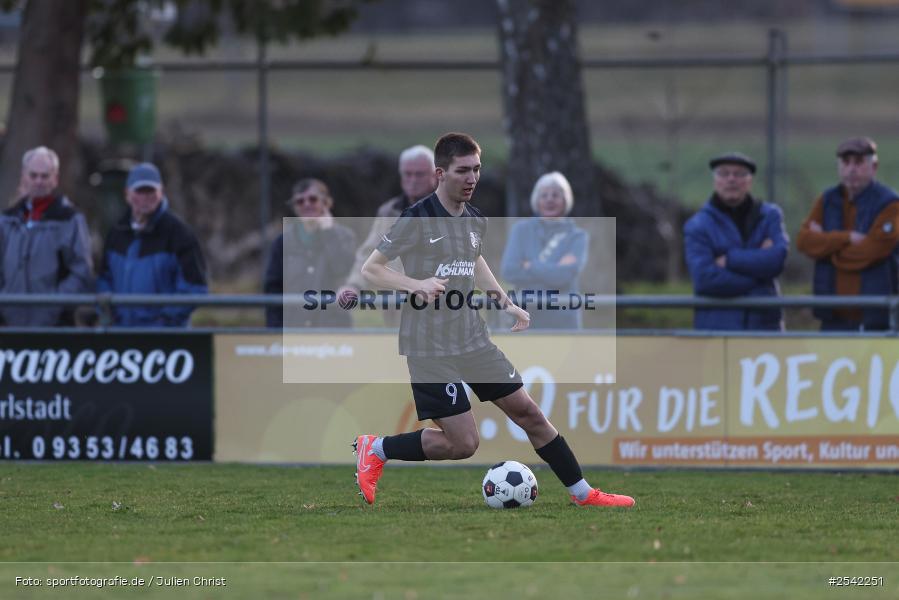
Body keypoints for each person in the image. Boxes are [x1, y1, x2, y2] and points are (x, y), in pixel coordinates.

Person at [353, 132, 634, 508]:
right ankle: (377, 448)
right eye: (462, 171)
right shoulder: (416, 218)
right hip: (429, 346)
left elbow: (476, 260)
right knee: (463, 444)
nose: (472, 179)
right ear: (440, 174)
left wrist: (505, 301)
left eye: (477, 170)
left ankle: (583, 494)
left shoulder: (473, 220)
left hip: (472, 337)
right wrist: (414, 284)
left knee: (529, 413)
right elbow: (372, 269)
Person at [797, 137, 899, 331]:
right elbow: (804, 242)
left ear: (874, 167)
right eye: (846, 162)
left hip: (877, 318)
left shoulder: (890, 204)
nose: (851, 169)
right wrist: (846, 238)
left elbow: (873, 251)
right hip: (833, 318)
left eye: (859, 162)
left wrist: (827, 247)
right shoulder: (827, 200)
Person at [683, 152, 789, 331]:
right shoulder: (697, 225)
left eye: (739, 174)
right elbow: (705, 279)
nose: (731, 179)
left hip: (764, 328)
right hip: (717, 330)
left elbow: (776, 260)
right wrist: (759, 279)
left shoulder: (770, 215)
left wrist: (730, 260)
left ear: (750, 181)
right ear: (714, 180)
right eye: (724, 173)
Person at [97, 162, 207, 326]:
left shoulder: (179, 233)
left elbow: (195, 287)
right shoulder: (116, 233)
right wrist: (108, 313)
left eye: (150, 191)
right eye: (139, 191)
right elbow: (104, 279)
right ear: (127, 194)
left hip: (165, 341)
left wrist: (164, 322)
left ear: (161, 192)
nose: (145, 198)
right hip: (122, 335)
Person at [341, 145, 438, 327]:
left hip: (439, 310)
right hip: (397, 312)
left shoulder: (450, 211)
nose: (413, 180)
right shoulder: (389, 211)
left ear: (435, 176)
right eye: (408, 174)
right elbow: (369, 252)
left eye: (419, 174)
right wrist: (353, 285)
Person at [0, 146, 93, 326]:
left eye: (45, 176)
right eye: (33, 175)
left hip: (54, 326)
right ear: (24, 177)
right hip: (9, 323)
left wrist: (55, 303)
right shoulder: (7, 220)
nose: (39, 181)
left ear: (55, 179)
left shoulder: (70, 220)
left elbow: (82, 271)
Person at [264, 178, 356, 328]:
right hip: (294, 328)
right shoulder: (281, 243)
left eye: (313, 199)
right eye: (300, 201)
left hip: (332, 329)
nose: (306, 204)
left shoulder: (345, 237)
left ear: (326, 203)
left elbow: (344, 270)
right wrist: (275, 329)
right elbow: (272, 289)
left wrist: (329, 234)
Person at [500, 172, 588, 329]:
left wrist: (529, 266)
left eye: (556, 195)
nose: (550, 199)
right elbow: (509, 271)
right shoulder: (521, 230)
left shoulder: (577, 236)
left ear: (565, 200)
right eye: (544, 195)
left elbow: (565, 275)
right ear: (536, 200)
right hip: (525, 317)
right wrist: (553, 269)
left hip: (564, 319)